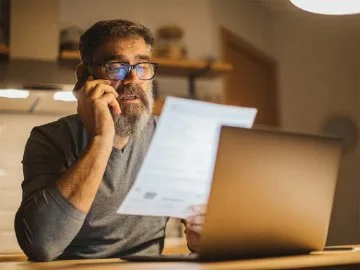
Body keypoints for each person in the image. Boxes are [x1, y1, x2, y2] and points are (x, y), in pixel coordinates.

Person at [14, 19, 205, 262]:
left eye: (142, 66)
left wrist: (201, 239)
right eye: (117, 67)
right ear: (85, 76)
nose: (133, 80)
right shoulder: (49, 139)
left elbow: (201, 232)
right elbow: (41, 245)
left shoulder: (168, 137)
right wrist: (102, 136)